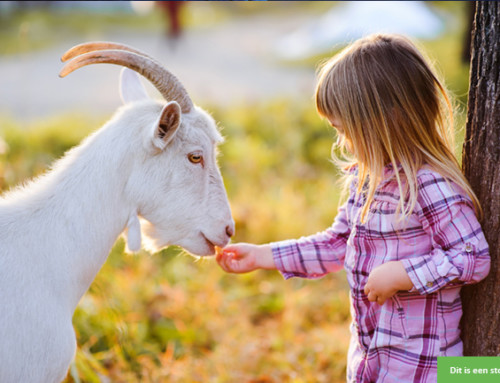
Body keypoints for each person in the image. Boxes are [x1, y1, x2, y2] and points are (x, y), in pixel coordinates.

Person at [216, 34, 490, 382]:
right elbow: (336, 243)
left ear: (386, 120)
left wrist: (403, 275)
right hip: (373, 358)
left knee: (486, 375)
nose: (342, 142)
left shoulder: (430, 185)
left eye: (345, 130)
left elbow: (473, 256)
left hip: (427, 370)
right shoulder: (366, 180)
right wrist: (263, 255)